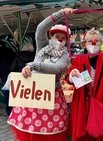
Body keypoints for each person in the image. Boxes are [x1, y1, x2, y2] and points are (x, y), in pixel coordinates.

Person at [7, 8, 74, 141]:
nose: (60, 40)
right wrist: (61, 13)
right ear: (50, 37)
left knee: (50, 132)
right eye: (56, 37)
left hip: (52, 97)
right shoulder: (42, 46)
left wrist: (32, 65)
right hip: (32, 94)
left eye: (63, 38)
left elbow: (57, 68)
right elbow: (40, 28)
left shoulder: (65, 55)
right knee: (30, 131)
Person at [65, 28, 103, 141]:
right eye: (90, 41)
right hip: (83, 104)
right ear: (84, 44)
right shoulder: (79, 59)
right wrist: (72, 75)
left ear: (101, 43)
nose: (93, 43)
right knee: (83, 135)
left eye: (96, 40)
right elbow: (69, 77)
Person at [2, 43, 35, 116]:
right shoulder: (35, 57)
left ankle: (17, 114)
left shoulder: (18, 57)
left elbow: (12, 68)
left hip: (19, 81)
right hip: (32, 81)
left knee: (18, 98)